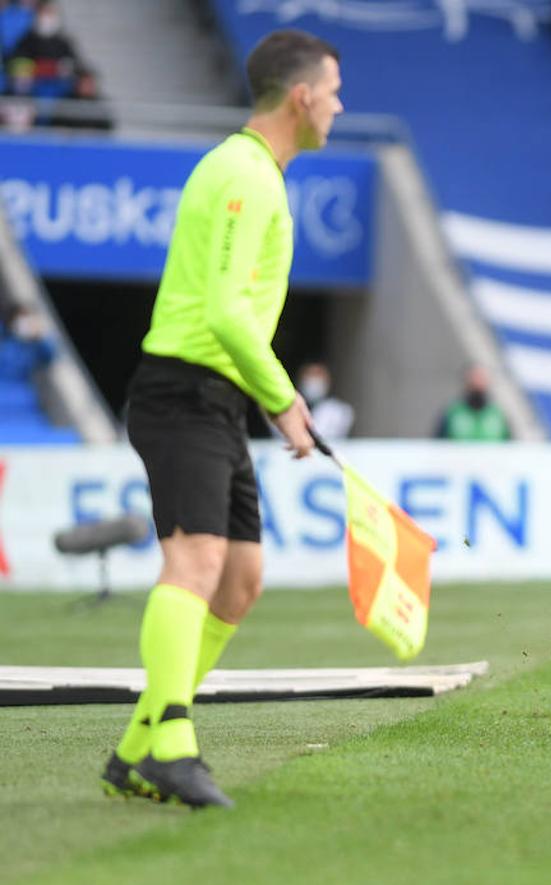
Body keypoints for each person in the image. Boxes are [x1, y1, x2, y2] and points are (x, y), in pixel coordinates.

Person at [103, 30, 340, 809]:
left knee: (238, 582)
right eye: (333, 92)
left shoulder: (250, 170)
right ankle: (171, 743)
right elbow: (227, 314)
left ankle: (134, 751)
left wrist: (265, 397)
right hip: (183, 393)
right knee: (197, 564)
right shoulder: (245, 174)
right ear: (301, 97)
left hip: (214, 400)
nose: (338, 107)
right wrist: (284, 400)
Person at [434, 364, 509, 441]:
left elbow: (510, 443)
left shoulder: (498, 415)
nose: (478, 383)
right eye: (474, 378)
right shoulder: (452, 413)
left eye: (482, 378)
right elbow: (437, 443)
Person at [296, 361, 353, 439]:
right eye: (310, 375)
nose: (314, 381)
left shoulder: (340, 410)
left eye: (317, 375)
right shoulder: (291, 407)